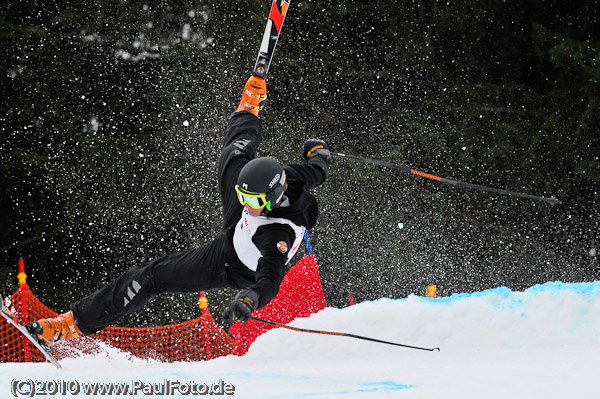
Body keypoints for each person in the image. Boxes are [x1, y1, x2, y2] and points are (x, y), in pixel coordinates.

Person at [32, 75, 331, 345]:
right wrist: (319, 153)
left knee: (150, 277)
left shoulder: (275, 235)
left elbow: (270, 278)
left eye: (252, 200)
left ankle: (68, 326)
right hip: (242, 227)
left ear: (272, 197)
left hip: (232, 262)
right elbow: (317, 169)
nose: (246, 204)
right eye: (244, 196)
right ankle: (249, 106)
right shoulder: (287, 178)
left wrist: (251, 299)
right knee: (233, 153)